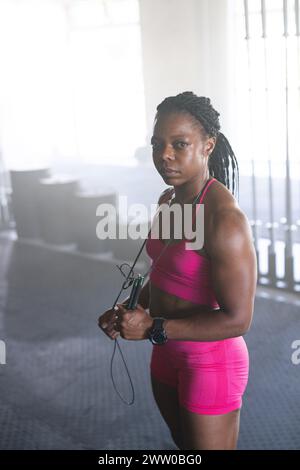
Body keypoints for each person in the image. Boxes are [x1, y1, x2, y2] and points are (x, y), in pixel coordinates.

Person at [98, 91, 257, 450]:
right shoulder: (168, 201)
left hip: (211, 361)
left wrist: (153, 328)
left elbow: (239, 320)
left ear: (207, 146)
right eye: (158, 144)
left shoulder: (225, 220)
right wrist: (129, 308)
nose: (164, 155)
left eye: (179, 144)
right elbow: (165, 272)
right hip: (166, 351)